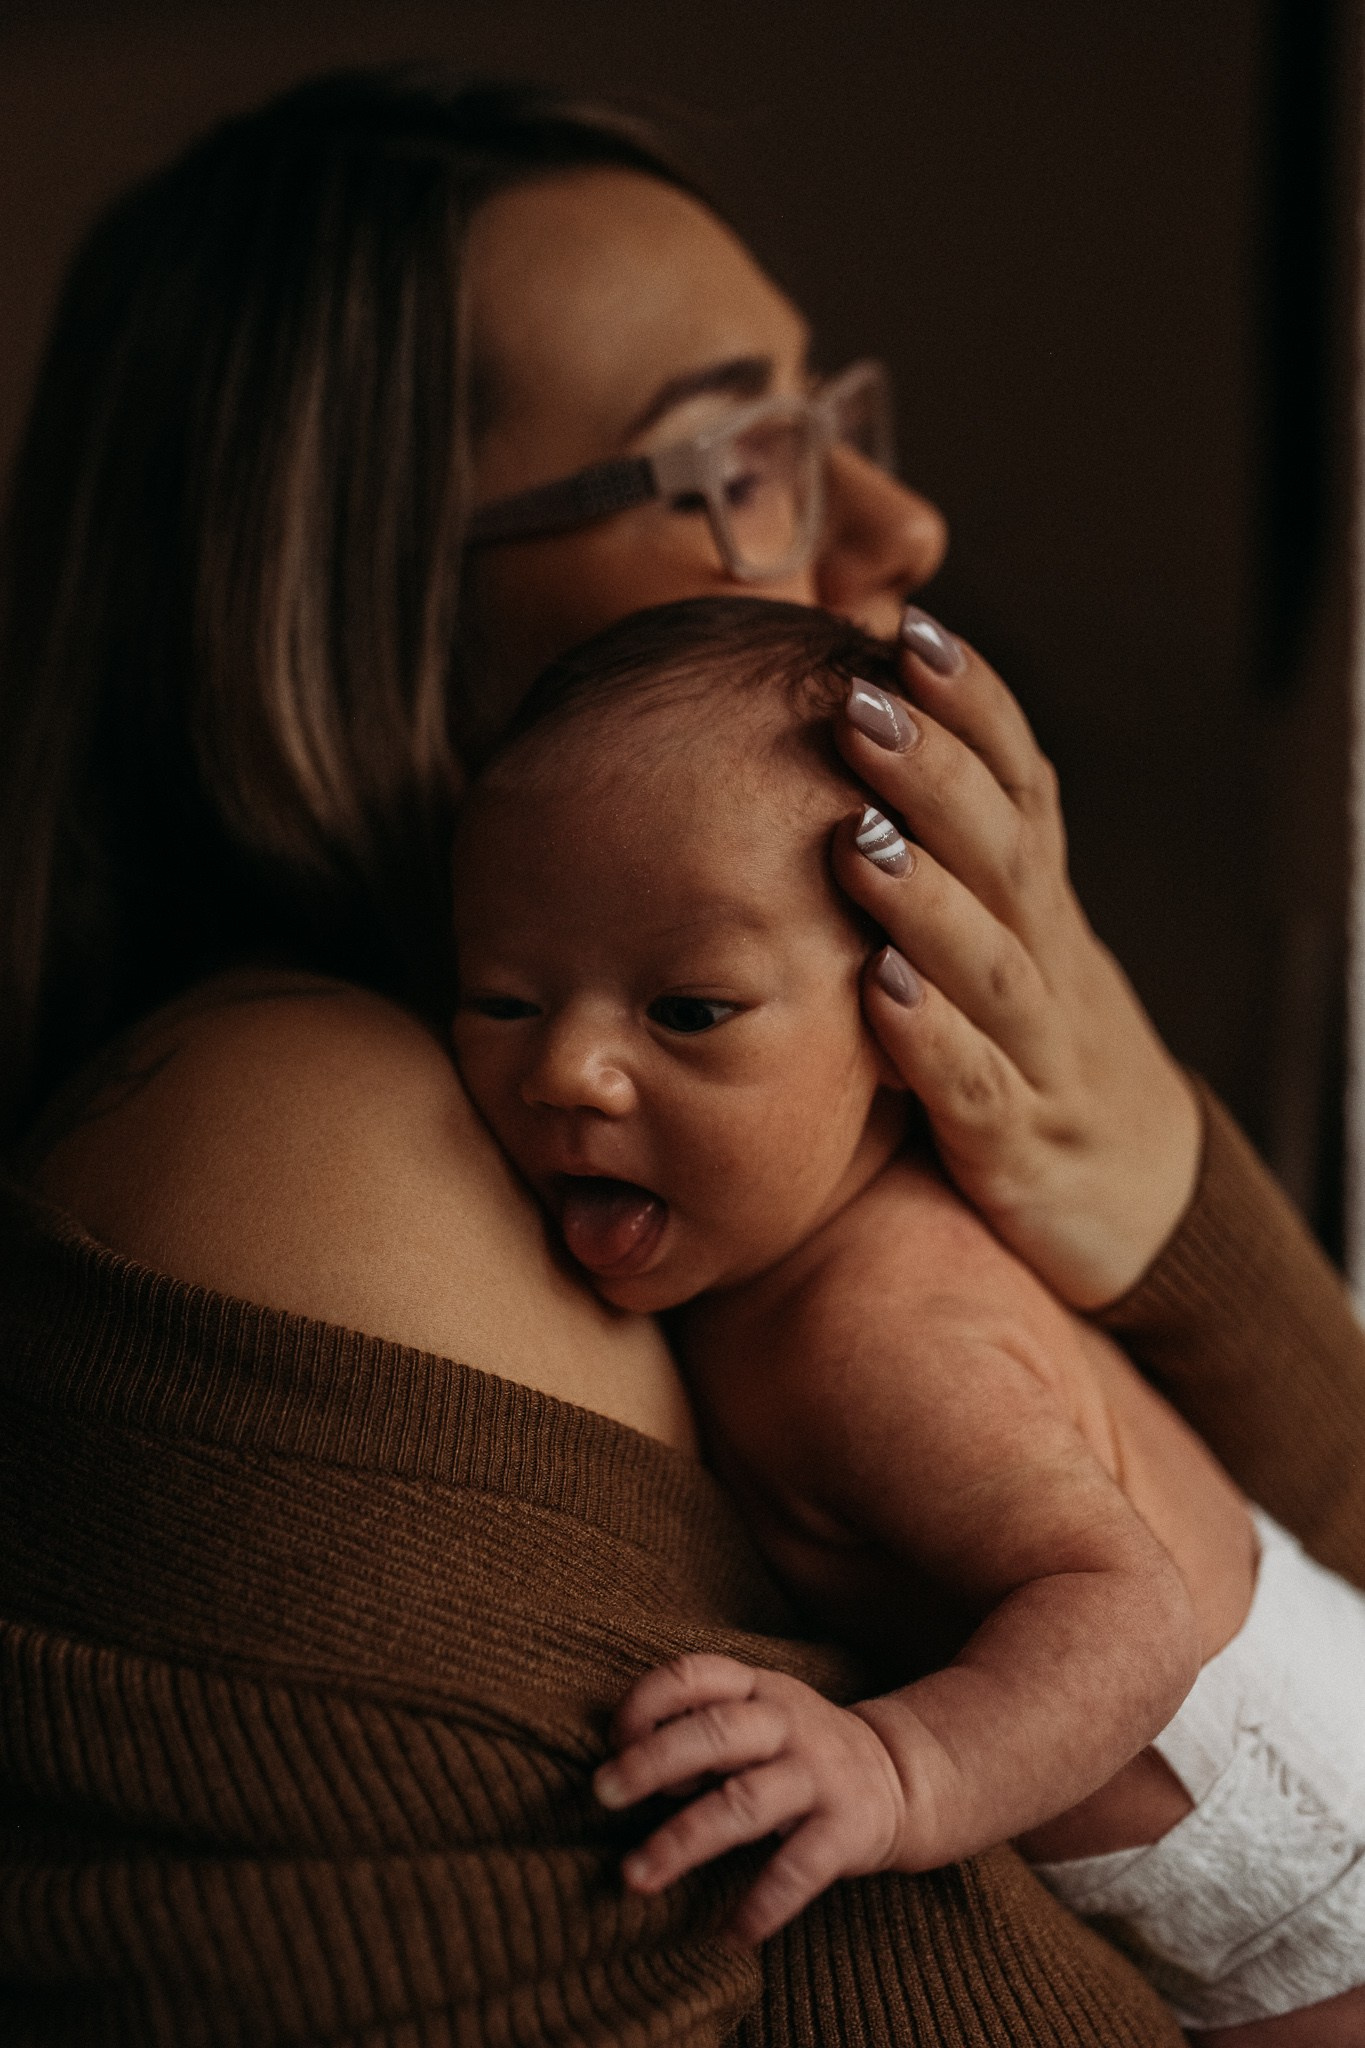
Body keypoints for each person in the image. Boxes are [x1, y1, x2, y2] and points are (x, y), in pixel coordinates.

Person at [1, 67, 1363, 2048]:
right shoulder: (297, 1136)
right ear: (347, 605)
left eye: (833, 423)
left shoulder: (781, 1151)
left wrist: (1150, 1166)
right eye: (735, 457)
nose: (901, 524)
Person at [449, 593, 1365, 2039]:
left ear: (898, 1015)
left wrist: (899, 1771)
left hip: (1301, 1861)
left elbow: (1127, 1616)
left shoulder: (871, 1321)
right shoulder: (765, 1258)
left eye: (688, 1012)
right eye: (501, 1001)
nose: (567, 1070)